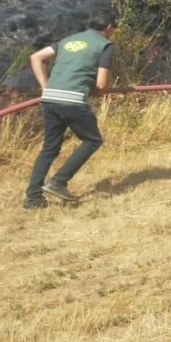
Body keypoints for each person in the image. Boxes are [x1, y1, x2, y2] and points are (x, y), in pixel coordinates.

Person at [24, 14, 116, 209]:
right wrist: (97, 93)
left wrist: (45, 86)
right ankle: (58, 182)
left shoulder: (68, 40)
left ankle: (32, 198)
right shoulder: (105, 45)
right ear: (109, 27)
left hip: (50, 99)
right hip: (72, 100)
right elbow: (101, 84)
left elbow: (36, 57)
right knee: (93, 140)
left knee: (50, 147)